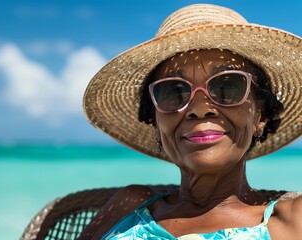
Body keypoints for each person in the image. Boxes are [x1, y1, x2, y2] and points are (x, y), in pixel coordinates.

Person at [78, 3, 302, 240]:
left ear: (261, 116)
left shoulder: (292, 219)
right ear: (155, 123)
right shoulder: (129, 204)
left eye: (227, 87)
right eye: (174, 92)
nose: (199, 109)